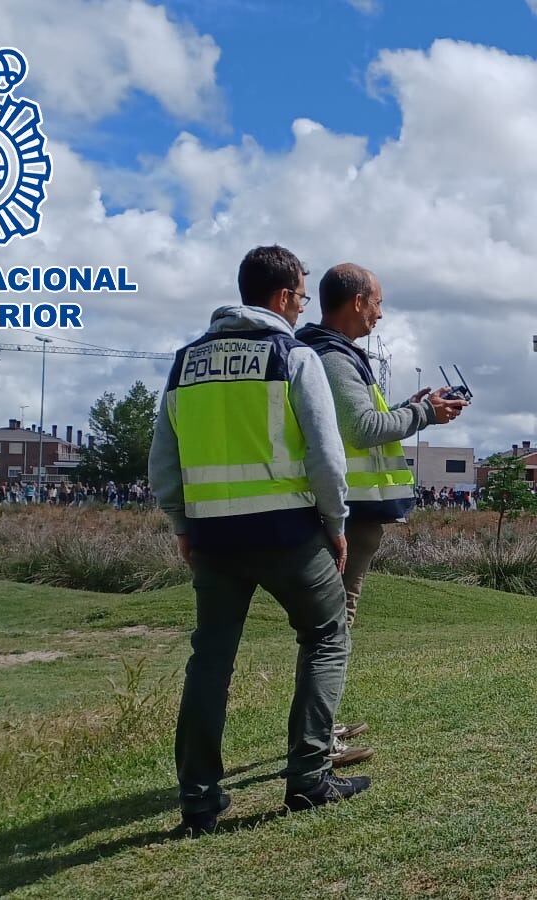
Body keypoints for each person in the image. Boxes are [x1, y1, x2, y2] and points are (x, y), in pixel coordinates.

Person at [150, 245, 367, 836]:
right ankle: (309, 778)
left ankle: (199, 800)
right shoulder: (293, 357)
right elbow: (326, 456)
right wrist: (336, 524)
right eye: (299, 296)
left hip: (214, 538)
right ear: (281, 297)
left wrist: (181, 525)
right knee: (326, 637)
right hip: (289, 533)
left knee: (210, 661)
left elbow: (163, 464)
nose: (301, 306)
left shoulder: (184, 362)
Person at [296, 263, 465, 764]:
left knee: (333, 627)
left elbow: (360, 420)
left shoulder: (330, 354)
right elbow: (362, 429)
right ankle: (318, 740)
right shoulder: (334, 358)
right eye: (378, 303)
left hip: (350, 512)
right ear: (356, 302)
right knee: (332, 628)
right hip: (346, 513)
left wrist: (408, 407)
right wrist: (425, 414)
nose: (381, 313)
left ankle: (322, 725)